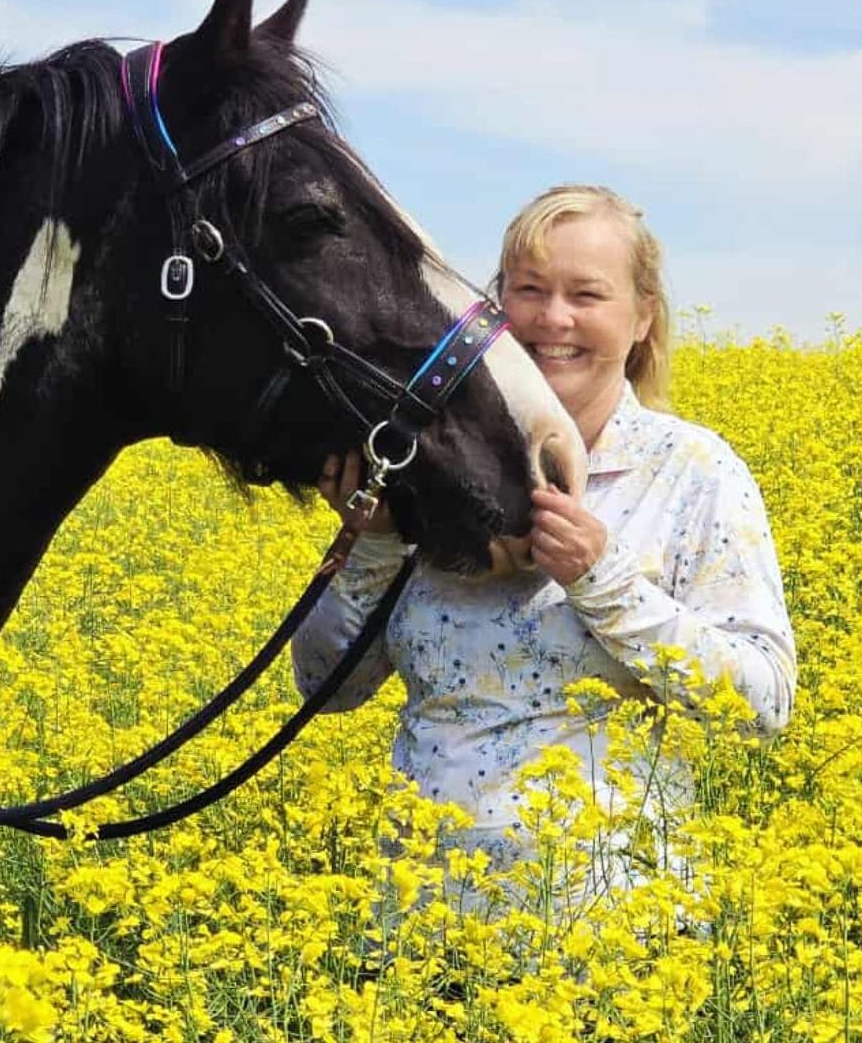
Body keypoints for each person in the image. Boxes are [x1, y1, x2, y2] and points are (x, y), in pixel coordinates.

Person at [291, 184, 796, 898]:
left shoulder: (691, 472)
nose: (553, 318)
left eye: (586, 295)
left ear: (643, 316)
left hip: (624, 947)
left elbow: (761, 704)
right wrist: (371, 549)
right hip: (422, 937)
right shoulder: (425, 462)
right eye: (529, 290)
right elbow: (322, 690)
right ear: (495, 307)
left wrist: (606, 584)